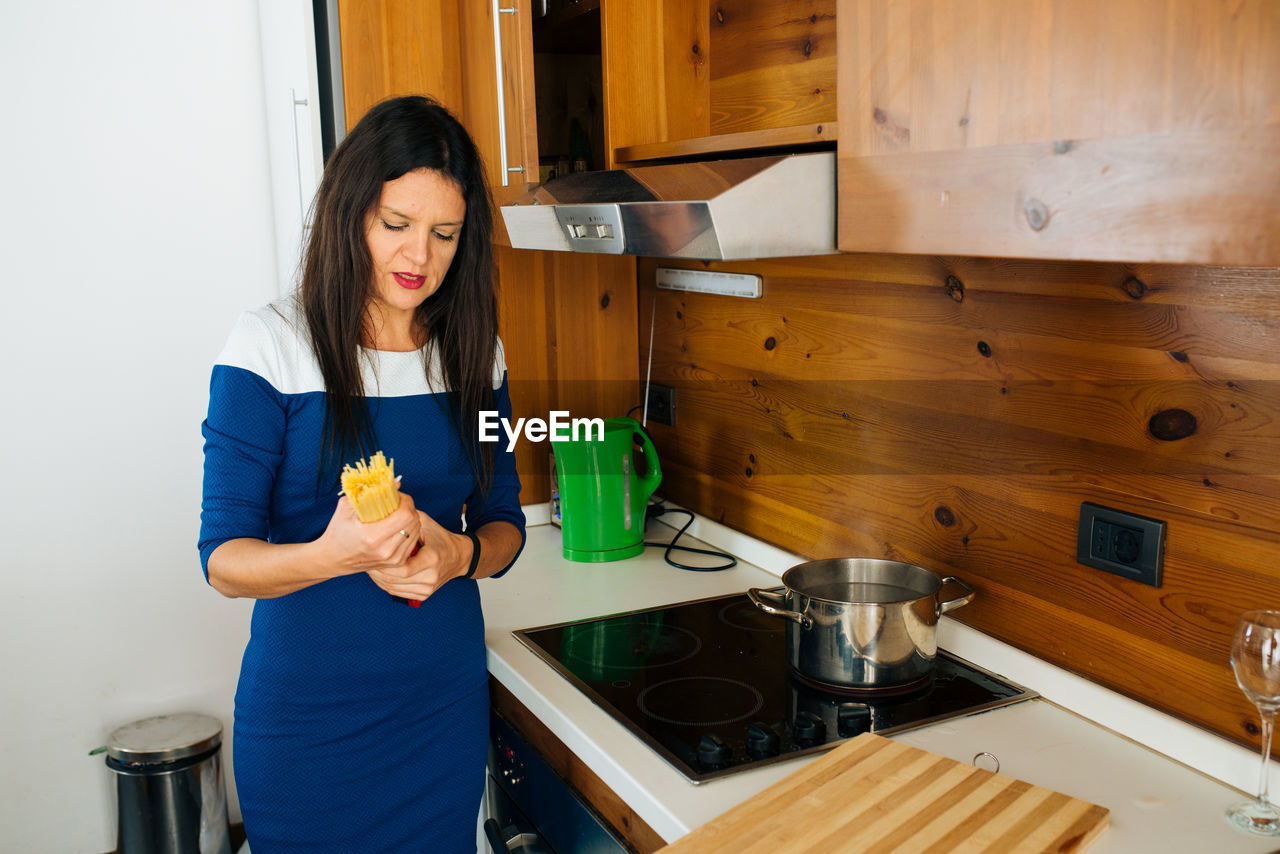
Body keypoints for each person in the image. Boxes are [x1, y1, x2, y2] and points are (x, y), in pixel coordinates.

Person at [199, 95, 525, 853]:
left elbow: (504, 519)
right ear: (351, 215)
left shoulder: (475, 351)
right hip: (310, 718)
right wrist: (337, 554)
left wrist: (461, 555)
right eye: (396, 226)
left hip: (440, 704)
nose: (420, 258)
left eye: (445, 234)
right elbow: (223, 562)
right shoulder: (270, 346)